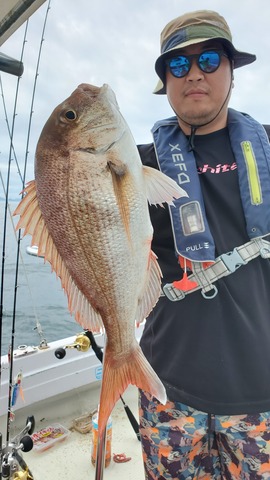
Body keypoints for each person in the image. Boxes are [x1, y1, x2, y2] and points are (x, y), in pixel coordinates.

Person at [138, 10, 270, 480]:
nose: (194, 73)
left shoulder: (268, 150)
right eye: (178, 65)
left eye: (209, 59)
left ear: (232, 72)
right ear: (165, 81)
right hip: (165, 387)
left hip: (260, 393)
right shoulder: (135, 168)